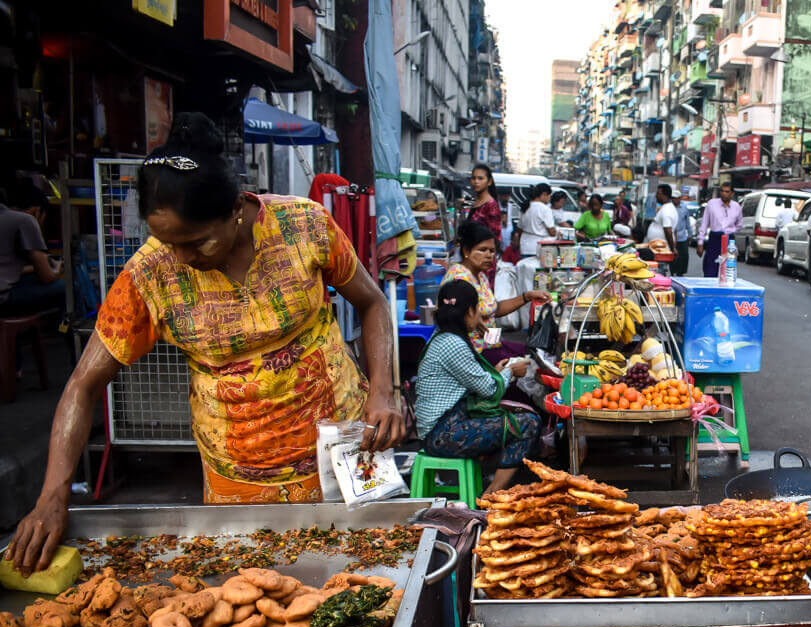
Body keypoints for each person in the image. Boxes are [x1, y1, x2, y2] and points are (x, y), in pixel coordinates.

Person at [5, 112, 405, 576]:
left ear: (236, 209)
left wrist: (383, 391)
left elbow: (373, 303)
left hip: (348, 452)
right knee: (259, 604)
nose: (181, 258)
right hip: (238, 476)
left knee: (366, 583)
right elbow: (82, 385)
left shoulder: (304, 225)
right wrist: (53, 495)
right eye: (166, 242)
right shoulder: (150, 273)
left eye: (196, 243)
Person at [416, 279, 540, 494]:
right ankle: (493, 493)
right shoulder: (453, 344)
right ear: (469, 311)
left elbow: (476, 380)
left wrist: (500, 372)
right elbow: (489, 390)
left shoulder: (442, 338)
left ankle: (491, 488)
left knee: (514, 416)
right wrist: (511, 371)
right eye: (477, 310)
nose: (480, 316)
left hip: (440, 429)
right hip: (443, 434)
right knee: (528, 424)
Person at [444, 221, 549, 357]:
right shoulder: (458, 277)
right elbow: (453, 316)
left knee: (532, 353)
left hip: (489, 344)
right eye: (482, 250)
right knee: (524, 361)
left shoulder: (480, 275)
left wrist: (527, 296)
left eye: (492, 251)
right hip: (470, 353)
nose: (489, 255)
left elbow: (494, 309)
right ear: (466, 251)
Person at [0, 181, 65, 313]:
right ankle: (68, 331)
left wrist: (32, 268)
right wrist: (58, 269)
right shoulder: (25, 220)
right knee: (69, 287)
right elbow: (47, 277)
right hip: (4, 298)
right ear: (37, 211)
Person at [697, 182, 743, 278]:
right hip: (714, 238)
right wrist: (700, 242)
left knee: (727, 269)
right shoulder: (712, 204)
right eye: (722, 191)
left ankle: (724, 290)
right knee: (710, 267)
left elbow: (739, 225)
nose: (724, 194)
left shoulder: (736, 207)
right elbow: (704, 223)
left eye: (727, 192)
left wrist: (731, 231)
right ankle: (709, 290)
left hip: (729, 240)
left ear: (732, 194)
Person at [518, 183, 556, 258]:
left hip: (525, 246)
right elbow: (552, 232)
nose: (549, 199)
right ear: (544, 194)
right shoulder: (545, 209)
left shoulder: (525, 207)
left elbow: (519, 229)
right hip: (539, 246)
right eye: (549, 196)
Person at [645, 183, 678, 254]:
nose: (656, 196)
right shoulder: (666, 207)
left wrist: (672, 249)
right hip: (658, 248)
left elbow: (668, 231)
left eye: (658, 193)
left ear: (665, 195)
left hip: (661, 250)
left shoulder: (667, 210)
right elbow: (674, 231)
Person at [670, 189, 692, 276]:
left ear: (680, 199)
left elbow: (688, 223)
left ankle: (681, 273)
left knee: (683, 257)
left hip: (682, 237)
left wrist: (690, 234)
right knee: (672, 259)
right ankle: (672, 273)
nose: (675, 200)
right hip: (671, 237)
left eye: (677, 198)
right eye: (673, 198)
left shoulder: (684, 208)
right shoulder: (669, 208)